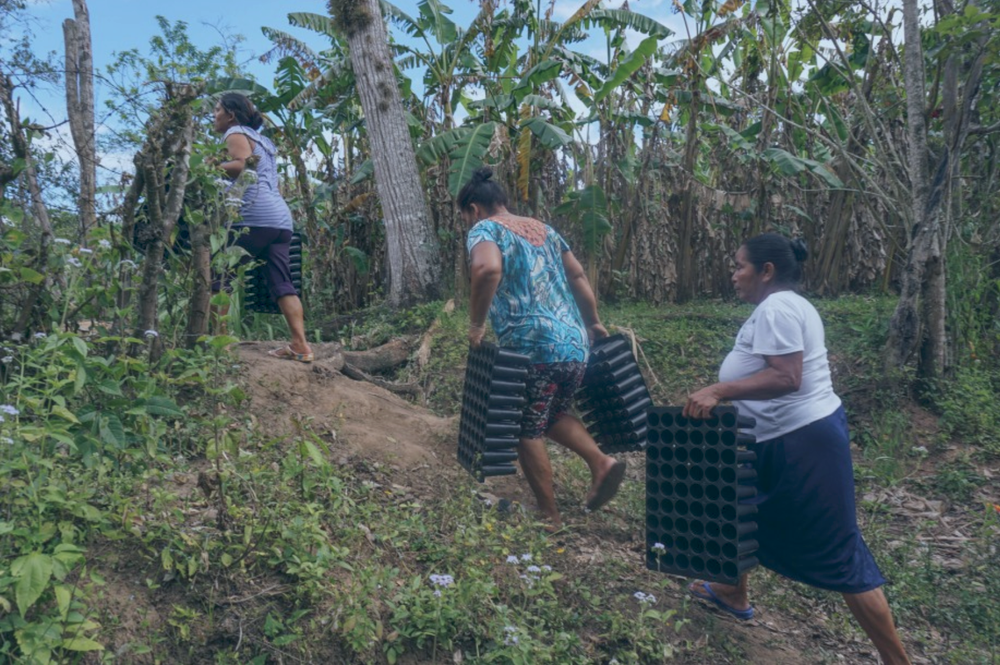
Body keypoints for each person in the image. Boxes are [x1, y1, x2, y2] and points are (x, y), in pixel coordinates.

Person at [683, 233, 910, 665]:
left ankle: (897, 660)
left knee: (841, 554)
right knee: (738, 509)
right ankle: (732, 590)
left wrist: (718, 389)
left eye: (739, 266)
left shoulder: (779, 307)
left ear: (766, 271)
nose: (733, 275)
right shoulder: (776, 308)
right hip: (776, 438)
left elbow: (788, 378)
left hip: (805, 442)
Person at [461, 167, 626, 528]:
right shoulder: (544, 230)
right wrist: (593, 321)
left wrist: (476, 323)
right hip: (573, 342)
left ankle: (548, 515)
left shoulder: (484, 230)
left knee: (525, 427)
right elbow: (578, 275)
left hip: (532, 345)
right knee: (550, 415)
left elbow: (487, 270)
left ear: (474, 209)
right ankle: (602, 462)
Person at [211, 92, 313, 363]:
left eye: (217, 109)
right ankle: (300, 345)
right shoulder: (264, 141)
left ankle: (219, 346)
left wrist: (210, 167)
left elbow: (242, 166)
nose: (214, 114)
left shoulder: (234, 133)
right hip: (280, 220)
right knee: (282, 283)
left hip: (253, 217)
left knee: (218, 277)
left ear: (231, 114)